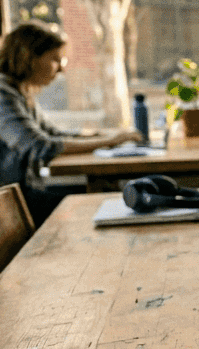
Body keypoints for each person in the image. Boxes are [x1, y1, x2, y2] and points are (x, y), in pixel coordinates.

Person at [0, 23, 142, 225]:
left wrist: (104, 137)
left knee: (108, 196)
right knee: (102, 202)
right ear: (29, 58)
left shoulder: (19, 91)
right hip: (12, 205)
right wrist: (107, 141)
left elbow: (54, 134)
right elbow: (39, 146)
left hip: (25, 194)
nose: (62, 69)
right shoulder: (2, 93)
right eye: (55, 59)